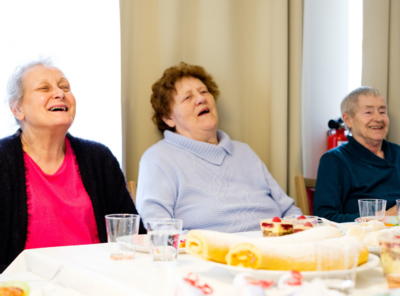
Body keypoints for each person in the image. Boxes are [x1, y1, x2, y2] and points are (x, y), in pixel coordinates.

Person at [0, 59, 145, 273]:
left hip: (98, 279)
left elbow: (134, 236)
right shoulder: (3, 161)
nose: (60, 93)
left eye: (65, 87)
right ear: (17, 108)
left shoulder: (99, 158)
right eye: (44, 88)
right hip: (27, 287)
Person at [136, 62, 302, 232]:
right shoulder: (158, 159)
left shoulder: (244, 152)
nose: (201, 99)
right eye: (187, 97)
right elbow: (159, 230)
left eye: (204, 92)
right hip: (208, 256)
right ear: (168, 118)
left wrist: (301, 230)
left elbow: (289, 211)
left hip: (274, 247)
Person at [313, 87, 400, 223]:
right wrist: (384, 218)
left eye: (382, 111)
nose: (378, 118)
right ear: (348, 120)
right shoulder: (335, 160)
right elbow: (325, 218)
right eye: (368, 112)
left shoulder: (398, 153)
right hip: (363, 239)